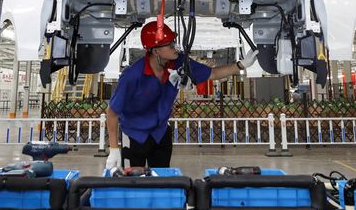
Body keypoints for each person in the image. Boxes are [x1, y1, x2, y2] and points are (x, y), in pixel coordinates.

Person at [105, 20, 258, 170]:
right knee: (132, 184)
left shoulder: (179, 64)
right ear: (155, 50)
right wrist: (113, 148)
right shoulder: (132, 76)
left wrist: (241, 65)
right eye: (170, 44)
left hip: (160, 133)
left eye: (174, 41)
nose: (175, 47)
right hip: (134, 135)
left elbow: (212, 73)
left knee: (162, 180)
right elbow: (112, 112)